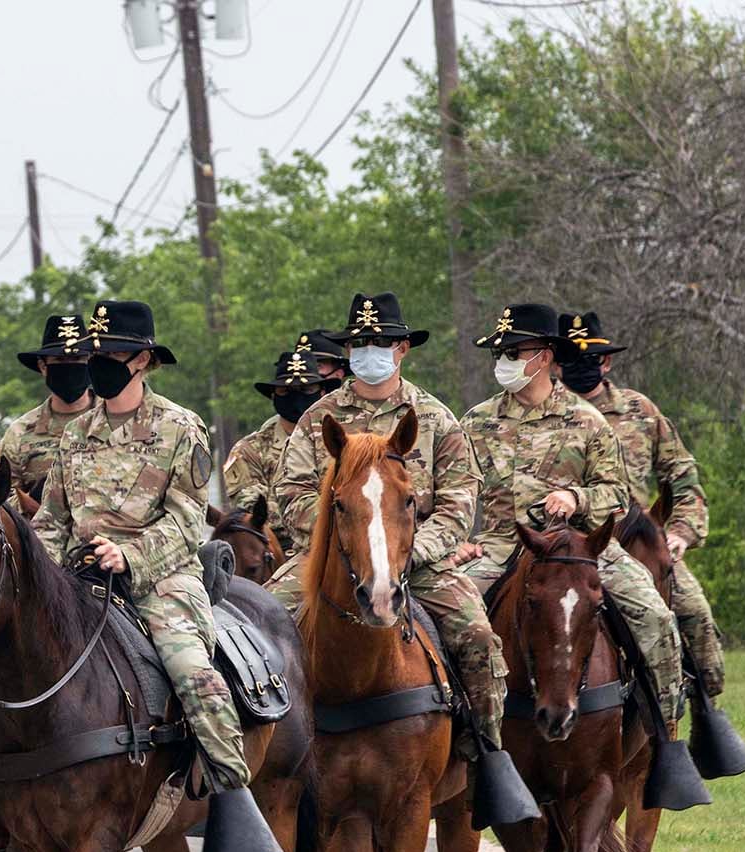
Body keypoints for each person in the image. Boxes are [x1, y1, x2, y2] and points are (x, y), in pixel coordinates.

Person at [0, 299, 252, 795]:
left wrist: (129, 555)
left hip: (161, 581)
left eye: (113, 352)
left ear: (143, 360)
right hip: (77, 579)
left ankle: (232, 792)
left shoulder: (181, 427)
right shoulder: (76, 434)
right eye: (95, 351)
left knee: (191, 671)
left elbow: (188, 519)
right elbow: (52, 520)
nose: (99, 361)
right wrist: (33, 572)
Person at [269, 292, 505, 756]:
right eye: (359, 344)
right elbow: (289, 492)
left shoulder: (435, 418)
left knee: (478, 638)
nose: (368, 352)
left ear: (402, 349)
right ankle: (262, 761)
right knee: (263, 626)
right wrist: (345, 544)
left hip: (418, 562)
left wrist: (408, 552)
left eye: (380, 342)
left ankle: (486, 757)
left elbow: (461, 498)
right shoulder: (319, 418)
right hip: (332, 565)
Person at [454, 303, 685, 732]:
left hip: (584, 551)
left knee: (656, 616)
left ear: (543, 356)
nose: (502, 362)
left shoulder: (589, 421)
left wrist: (576, 498)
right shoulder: (476, 422)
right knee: (450, 620)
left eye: (512, 352)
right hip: (503, 546)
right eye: (499, 353)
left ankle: (664, 736)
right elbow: (455, 490)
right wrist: (457, 542)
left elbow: (617, 494)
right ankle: (466, 735)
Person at [557, 311, 727, 698]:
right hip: (569, 546)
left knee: (694, 612)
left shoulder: (640, 412)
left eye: (591, 360)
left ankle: (703, 708)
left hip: (636, 544)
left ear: (607, 361)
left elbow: (683, 477)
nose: (581, 369)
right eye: (570, 360)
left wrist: (681, 533)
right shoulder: (546, 416)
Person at [222, 344, 344, 524]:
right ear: (273, 395)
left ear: (322, 392)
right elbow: (254, 510)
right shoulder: (250, 450)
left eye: (306, 390)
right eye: (286, 391)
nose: (296, 397)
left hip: (338, 542)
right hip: (277, 547)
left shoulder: (340, 442)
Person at [0, 312, 92, 515]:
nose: (69, 367)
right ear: (43, 366)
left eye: (78, 358)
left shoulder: (115, 421)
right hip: (39, 538)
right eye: (60, 360)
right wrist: (36, 500)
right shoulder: (20, 432)